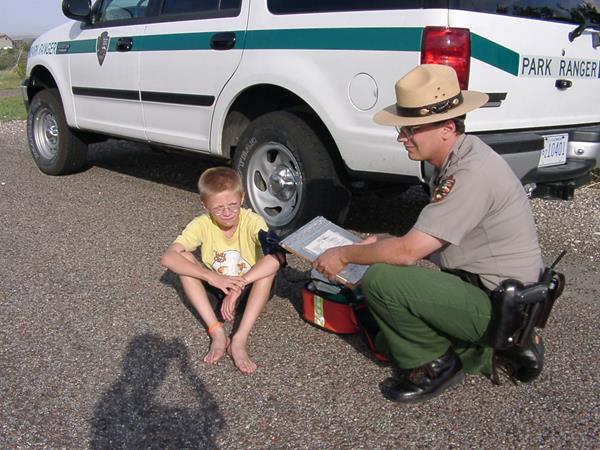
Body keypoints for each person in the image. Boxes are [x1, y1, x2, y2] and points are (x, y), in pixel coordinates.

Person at [313, 64, 545, 403]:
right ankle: (495, 349)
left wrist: (343, 254)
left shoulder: (470, 173)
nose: (401, 137)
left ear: (447, 127)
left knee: (381, 282)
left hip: (501, 305)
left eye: (410, 129)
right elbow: (437, 238)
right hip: (492, 291)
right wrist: (380, 243)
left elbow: (408, 252)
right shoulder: (459, 158)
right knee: (384, 329)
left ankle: (438, 365)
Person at [161, 167, 282, 374]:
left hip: (249, 289)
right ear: (205, 205)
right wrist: (211, 277)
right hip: (218, 287)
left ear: (242, 198)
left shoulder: (253, 221)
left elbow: (278, 256)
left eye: (233, 205)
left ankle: (239, 340)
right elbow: (168, 257)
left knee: (268, 266)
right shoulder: (201, 224)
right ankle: (216, 332)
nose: (227, 213)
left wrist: (240, 283)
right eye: (218, 208)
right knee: (184, 259)